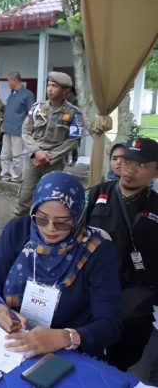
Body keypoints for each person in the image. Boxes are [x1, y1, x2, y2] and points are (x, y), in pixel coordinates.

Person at [0, 171, 122, 359]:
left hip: (64, 352)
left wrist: (66, 336)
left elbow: (110, 323)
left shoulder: (97, 251)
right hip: (12, 340)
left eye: (62, 223)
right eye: (41, 218)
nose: (50, 229)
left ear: (78, 218)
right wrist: (1, 311)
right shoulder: (18, 230)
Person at [85, 137, 158, 375]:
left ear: (156, 171)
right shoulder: (98, 194)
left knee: (124, 357)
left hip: (136, 297)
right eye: (127, 161)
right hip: (93, 287)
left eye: (142, 165)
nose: (130, 169)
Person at [13, 72, 83, 216]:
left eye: (54, 86)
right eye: (49, 85)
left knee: (49, 199)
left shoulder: (74, 113)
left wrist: (49, 156)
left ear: (65, 90)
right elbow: (26, 132)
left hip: (54, 162)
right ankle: (18, 229)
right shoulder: (37, 108)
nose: (49, 89)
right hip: (34, 159)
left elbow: (73, 141)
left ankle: (42, 230)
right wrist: (37, 152)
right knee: (24, 198)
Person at [0, 72, 34, 182]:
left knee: (16, 156)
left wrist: (27, 128)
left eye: (8, 81)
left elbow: (31, 113)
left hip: (18, 130)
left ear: (15, 80)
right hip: (7, 129)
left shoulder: (28, 94)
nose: (7, 83)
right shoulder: (12, 93)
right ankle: (5, 175)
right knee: (4, 155)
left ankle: (16, 177)